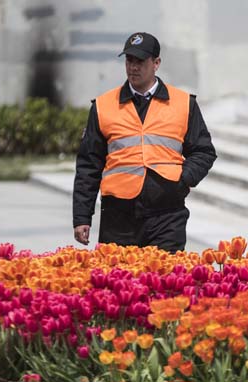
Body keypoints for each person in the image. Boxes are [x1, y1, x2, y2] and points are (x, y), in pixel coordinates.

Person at [72, 32, 216, 252]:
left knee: (166, 282)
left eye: (140, 61)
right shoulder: (103, 106)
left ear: (156, 63)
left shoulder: (184, 104)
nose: (133, 67)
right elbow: (88, 166)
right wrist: (82, 216)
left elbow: (204, 151)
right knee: (119, 283)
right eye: (129, 60)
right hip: (118, 218)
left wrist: (183, 180)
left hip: (167, 216)